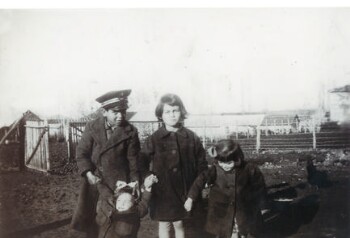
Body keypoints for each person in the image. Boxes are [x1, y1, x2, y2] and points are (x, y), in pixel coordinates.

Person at [71, 89, 141, 238]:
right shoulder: (92, 127)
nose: (120, 116)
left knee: (115, 227)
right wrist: (88, 173)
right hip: (94, 183)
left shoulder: (130, 132)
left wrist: (135, 183)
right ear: (104, 111)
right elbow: (81, 154)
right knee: (91, 225)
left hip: (117, 186)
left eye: (123, 111)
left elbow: (133, 161)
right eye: (115, 112)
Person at [140, 93, 208, 238]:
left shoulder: (191, 138)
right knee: (164, 223)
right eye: (167, 112)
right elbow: (141, 162)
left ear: (181, 112)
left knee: (180, 223)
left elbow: (203, 166)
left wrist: (194, 191)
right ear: (161, 115)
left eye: (175, 111)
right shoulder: (154, 139)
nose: (172, 115)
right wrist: (147, 176)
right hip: (163, 190)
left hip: (187, 189)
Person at [184, 139, 267, 238]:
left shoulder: (249, 169)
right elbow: (199, 181)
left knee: (245, 230)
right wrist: (190, 198)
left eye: (229, 163)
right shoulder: (215, 169)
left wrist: (262, 205)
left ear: (238, 159)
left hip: (243, 208)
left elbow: (260, 187)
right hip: (221, 209)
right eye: (221, 162)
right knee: (224, 232)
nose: (224, 166)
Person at [95, 174, 158, 238]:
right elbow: (106, 193)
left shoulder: (136, 212)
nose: (121, 204)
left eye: (126, 201)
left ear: (133, 204)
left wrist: (148, 188)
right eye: (119, 200)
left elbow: (145, 201)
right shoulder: (112, 207)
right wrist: (99, 182)